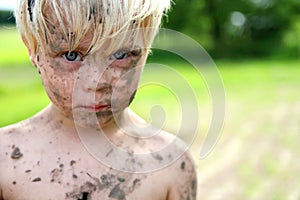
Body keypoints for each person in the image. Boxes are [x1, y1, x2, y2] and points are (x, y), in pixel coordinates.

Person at [0, 0, 197, 199]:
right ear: (33, 50)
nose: (97, 81)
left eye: (120, 55)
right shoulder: (6, 159)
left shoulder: (171, 163)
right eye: (71, 55)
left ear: (146, 50)